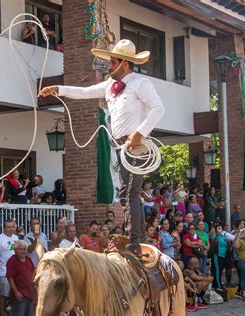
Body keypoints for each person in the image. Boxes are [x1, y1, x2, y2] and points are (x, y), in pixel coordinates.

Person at [39, 39, 165, 255]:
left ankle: (135, 242)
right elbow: (84, 91)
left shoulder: (141, 83)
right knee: (127, 192)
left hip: (136, 145)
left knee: (129, 193)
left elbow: (158, 108)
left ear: (124, 64)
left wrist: (139, 133)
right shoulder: (109, 86)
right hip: (121, 145)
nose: (109, 66)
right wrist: (57, 89)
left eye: (112, 62)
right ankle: (136, 238)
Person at [0, 219, 19, 316]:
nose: (11, 229)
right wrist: (2, 262)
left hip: (16, 272)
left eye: (12, 227)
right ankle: (2, 313)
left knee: (14, 293)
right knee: (3, 294)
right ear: (4, 228)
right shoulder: (0, 239)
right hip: (4, 272)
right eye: (8, 227)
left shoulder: (16, 237)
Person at [6, 240, 35, 316]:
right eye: (20, 249)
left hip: (30, 292)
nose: (22, 251)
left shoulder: (28, 259)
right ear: (15, 250)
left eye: (24, 249)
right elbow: (10, 278)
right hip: (20, 294)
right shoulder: (12, 261)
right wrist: (16, 292)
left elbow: (33, 273)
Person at [210, 224, 229, 289]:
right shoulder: (214, 236)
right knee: (217, 270)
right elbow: (213, 243)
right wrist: (216, 235)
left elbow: (226, 246)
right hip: (217, 255)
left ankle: (216, 284)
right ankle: (218, 285)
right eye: (218, 228)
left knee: (220, 270)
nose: (219, 229)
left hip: (223, 255)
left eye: (220, 228)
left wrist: (227, 242)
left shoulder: (224, 236)